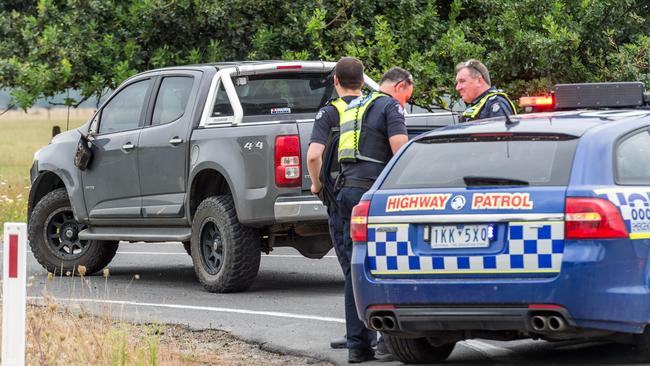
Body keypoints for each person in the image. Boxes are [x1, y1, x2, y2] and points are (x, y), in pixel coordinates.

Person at [307, 58, 411, 363]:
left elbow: (314, 156)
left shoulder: (330, 111)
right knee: (386, 264)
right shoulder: (385, 106)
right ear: (364, 80)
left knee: (355, 267)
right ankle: (388, 340)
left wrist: (315, 186)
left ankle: (358, 345)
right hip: (378, 195)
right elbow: (400, 148)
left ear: (336, 81)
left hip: (346, 195)